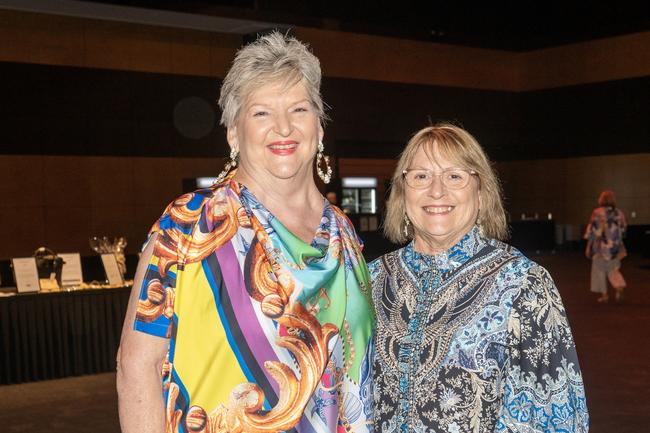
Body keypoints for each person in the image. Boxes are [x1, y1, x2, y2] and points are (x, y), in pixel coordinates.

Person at [116, 31, 374, 433]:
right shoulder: (190, 223)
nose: (284, 127)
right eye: (261, 113)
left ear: (320, 129)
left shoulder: (343, 233)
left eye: (299, 109)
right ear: (234, 134)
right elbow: (136, 365)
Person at [370, 124, 589, 433]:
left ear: (482, 193)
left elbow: (549, 413)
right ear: (402, 191)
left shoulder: (523, 283)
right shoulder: (370, 279)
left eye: (455, 176)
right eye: (421, 176)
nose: (436, 190)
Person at [584, 190, 627, 303]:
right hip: (615, 248)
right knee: (613, 269)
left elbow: (592, 231)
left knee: (599, 271)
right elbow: (623, 230)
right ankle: (619, 288)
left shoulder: (597, 213)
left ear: (601, 200)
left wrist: (589, 246)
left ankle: (605, 295)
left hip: (600, 248)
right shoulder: (619, 213)